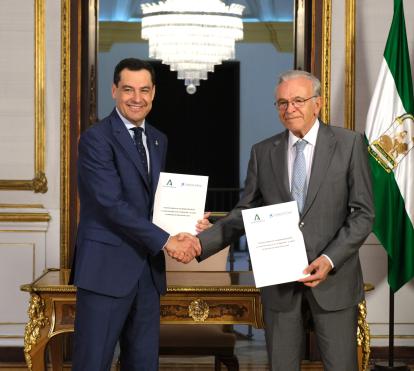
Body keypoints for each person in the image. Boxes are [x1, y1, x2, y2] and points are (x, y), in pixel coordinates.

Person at [196, 70, 374, 371]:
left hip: (334, 281)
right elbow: (244, 212)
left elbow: (363, 213)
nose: (289, 108)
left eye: (298, 100)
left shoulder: (349, 144)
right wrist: (202, 241)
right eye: (281, 103)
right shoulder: (263, 152)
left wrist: (329, 260)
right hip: (280, 286)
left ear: (317, 103)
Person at [70, 58, 202, 371]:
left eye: (144, 90)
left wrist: (189, 221)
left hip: (147, 273)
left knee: (143, 364)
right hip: (105, 271)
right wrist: (167, 241)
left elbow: (153, 202)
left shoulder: (157, 139)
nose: (136, 97)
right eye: (128, 89)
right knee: (92, 363)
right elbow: (110, 204)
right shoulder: (95, 139)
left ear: (154, 93)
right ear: (114, 90)